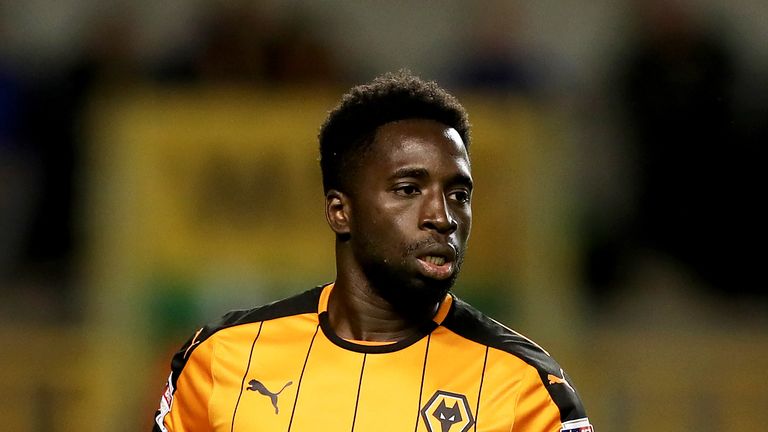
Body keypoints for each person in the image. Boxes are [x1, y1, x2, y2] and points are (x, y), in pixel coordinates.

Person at [152, 71, 592, 432]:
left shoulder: (526, 389)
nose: (442, 217)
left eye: (458, 193)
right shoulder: (222, 357)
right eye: (408, 189)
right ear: (340, 212)